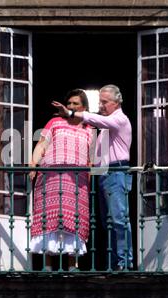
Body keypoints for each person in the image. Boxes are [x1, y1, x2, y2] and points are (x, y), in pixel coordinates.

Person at [52, 84, 133, 271]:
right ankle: (114, 263)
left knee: (119, 219)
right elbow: (97, 155)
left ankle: (124, 263)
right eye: (100, 102)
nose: (102, 105)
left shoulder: (119, 119)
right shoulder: (104, 124)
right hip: (104, 173)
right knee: (108, 222)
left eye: (105, 102)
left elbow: (93, 119)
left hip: (116, 171)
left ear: (116, 102)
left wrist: (71, 113)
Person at [29, 89, 94, 271]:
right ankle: (48, 265)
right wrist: (33, 163)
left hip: (77, 182)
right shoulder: (55, 122)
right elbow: (42, 144)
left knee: (73, 220)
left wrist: (89, 180)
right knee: (50, 220)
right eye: (70, 103)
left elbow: (91, 159)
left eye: (76, 104)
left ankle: (72, 264)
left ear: (84, 107)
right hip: (50, 178)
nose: (71, 106)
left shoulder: (90, 130)